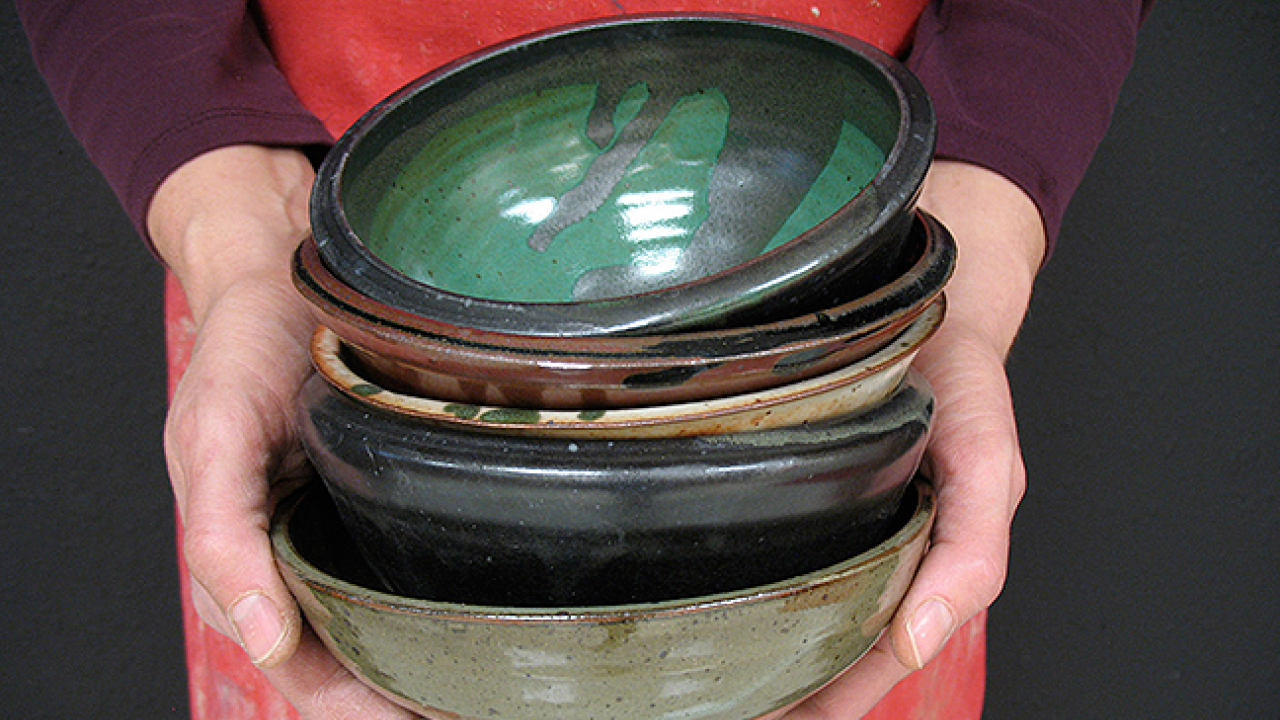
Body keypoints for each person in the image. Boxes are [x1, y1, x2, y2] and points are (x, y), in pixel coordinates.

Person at [17, 1, 1150, 717]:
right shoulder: (291, 285)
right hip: (315, 291)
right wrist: (233, 222)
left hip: (836, 308)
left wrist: (974, 236)